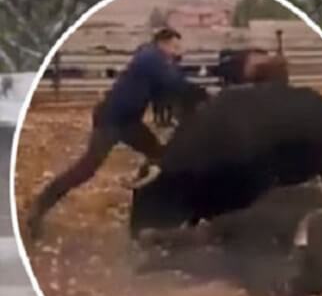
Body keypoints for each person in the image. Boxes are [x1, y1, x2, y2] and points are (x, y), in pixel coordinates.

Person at [26, 27, 198, 239]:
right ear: (162, 43)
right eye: (174, 46)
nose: (176, 51)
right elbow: (174, 83)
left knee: (159, 155)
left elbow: (166, 91)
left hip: (128, 122)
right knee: (86, 169)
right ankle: (39, 207)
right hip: (111, 121)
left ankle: (149, 210)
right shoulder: (151, 58)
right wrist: (200, 94)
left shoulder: (153, 59)